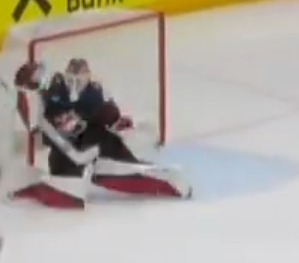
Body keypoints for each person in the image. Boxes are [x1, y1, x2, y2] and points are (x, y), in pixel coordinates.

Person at [10, 59, 191, 208]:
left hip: (96, 141)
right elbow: (38, 116)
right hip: (68, 148)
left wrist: (113, 120)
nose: (75, 83)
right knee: (66, 192)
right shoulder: (50, 96)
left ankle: (172, 181)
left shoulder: (85, 90)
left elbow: (107, 111)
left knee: (113, 171)